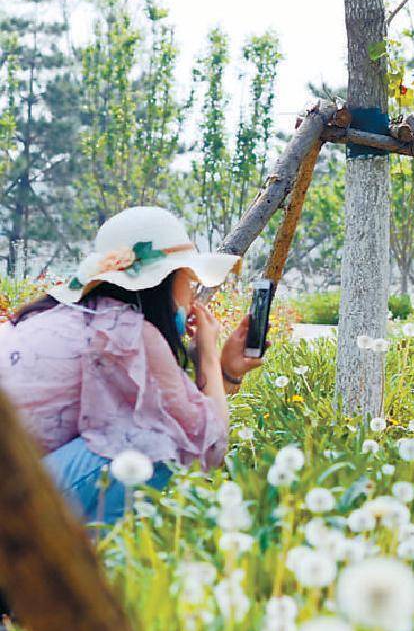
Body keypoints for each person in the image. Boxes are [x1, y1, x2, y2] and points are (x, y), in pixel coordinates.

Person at [0, 206, 265, 526]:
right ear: (165, 282)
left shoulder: (74, 316)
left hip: (17, 487)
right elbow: (209, 448)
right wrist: (208, 354)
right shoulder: (125, 331)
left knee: (150, 426)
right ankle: (93, 557)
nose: (191, 294)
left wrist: (226, 371)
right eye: (188, 280)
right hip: (12, 509)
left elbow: (188, 416)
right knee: (149, 442)